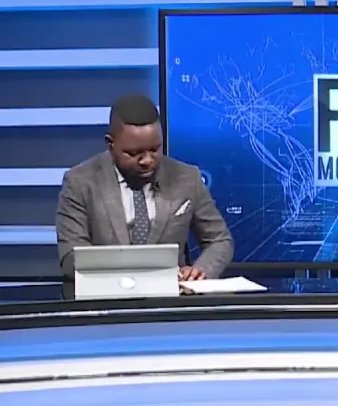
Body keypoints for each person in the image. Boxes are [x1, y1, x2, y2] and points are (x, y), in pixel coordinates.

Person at [55, 93, 234, 283]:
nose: (147, 160)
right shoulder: (80, 182)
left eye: (155, 149)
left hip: (170, 296)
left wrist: (201, 271)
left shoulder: (187, 178)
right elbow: (71, 257)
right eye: (134, 153)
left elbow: (219, 240)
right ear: (110, 143)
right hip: (106, 294)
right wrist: (129, 277)